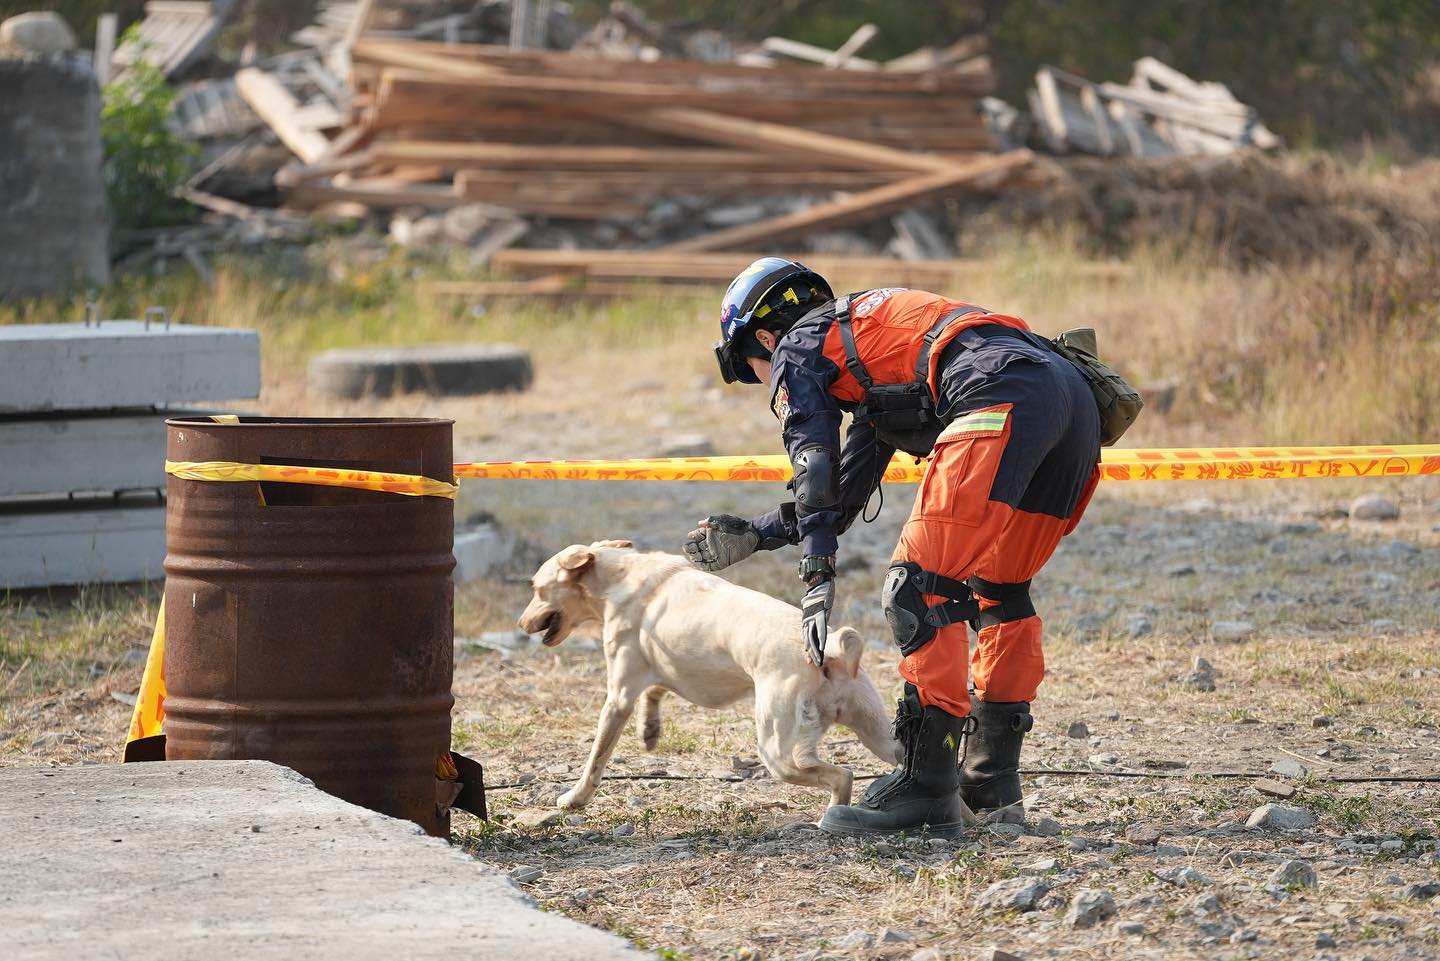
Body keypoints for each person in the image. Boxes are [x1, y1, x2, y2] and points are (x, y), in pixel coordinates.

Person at [683, 257, 1101, 837]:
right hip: (1070, 399)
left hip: (995, 394)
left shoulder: (798, 344)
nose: (766, 380)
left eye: (753, 369)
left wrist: (818, 567)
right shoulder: (866, 347)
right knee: (1000, 592)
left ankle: (926, 788)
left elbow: (814, 460)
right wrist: (758, 533)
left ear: (764, 335)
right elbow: (840, 494)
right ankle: (990, 783)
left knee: (919, 588)